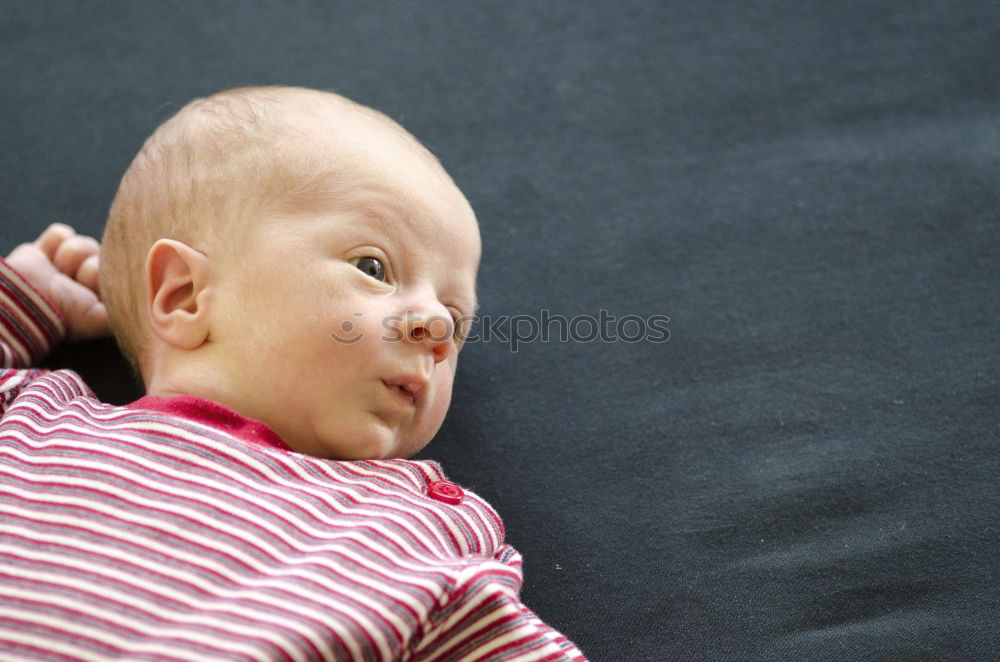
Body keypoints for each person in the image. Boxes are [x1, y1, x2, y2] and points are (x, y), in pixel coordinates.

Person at [0, 86, 586, 661]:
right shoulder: (35, 422)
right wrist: (23, 297)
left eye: (456, 322)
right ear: (184, 296)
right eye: (374, 267)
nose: (435, 326)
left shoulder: (408, 541)